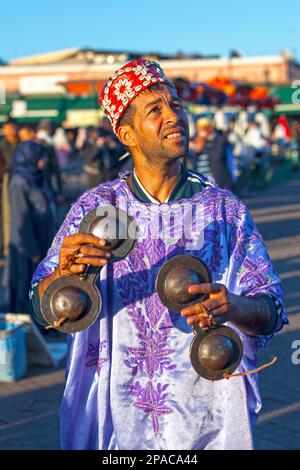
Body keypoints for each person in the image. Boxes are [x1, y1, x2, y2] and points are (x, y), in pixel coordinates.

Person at [30, 59, 287, 450]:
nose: (175, 117)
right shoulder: (95, 210)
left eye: (176, 106)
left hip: (206, 418)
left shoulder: (224, 211)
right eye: (156, 110)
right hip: (116, 420)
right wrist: (63, 277)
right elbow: (40, 305)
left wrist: (233, 306)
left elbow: (272, 310)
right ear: (127, 133)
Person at [5, 126, 54, 314]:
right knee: (26, 287)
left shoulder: (37, 178)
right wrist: (32, 250)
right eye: (40, 157)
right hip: (28, 247)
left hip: (42, 241)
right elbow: (20, 220)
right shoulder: (19, 183)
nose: (44, 161)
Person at [190, 117, 233, 188]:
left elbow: (218, 157)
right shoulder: (197, 139)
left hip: (216, 180)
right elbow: (193, 158)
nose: (201, 131)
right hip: (201, 180)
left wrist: (206, 145)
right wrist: (197, 147)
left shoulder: (220, 140)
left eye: (203, 128)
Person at [0, 119, 19, 256]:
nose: (10, 131)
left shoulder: (21, 144)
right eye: (8, 128)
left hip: (19, 181)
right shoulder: (2, 145)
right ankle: (7, 247)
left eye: (12, 128)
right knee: (6, 216)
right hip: (6, 181)